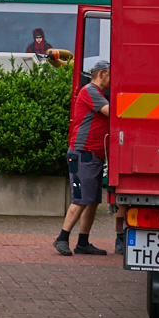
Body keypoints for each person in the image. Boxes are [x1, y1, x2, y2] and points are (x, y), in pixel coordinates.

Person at [55, 60, 111, 256]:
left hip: (93, 155)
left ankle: (83, 243)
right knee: (80, 199)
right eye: (111, 75)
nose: (112, 80)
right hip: (82, 154)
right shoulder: (90, 91)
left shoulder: (98, 93)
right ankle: (62, 238)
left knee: (92, 201)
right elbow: (111, 112)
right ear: (102, 73)